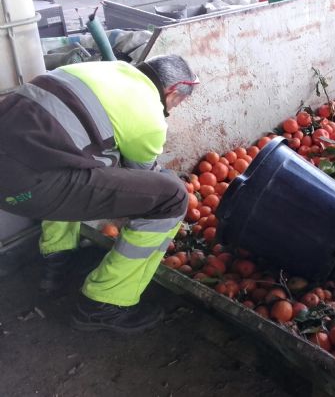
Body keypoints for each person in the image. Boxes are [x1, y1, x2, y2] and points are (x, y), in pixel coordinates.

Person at [0, 55, 198, 333]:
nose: (174, 109)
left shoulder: (100, 71)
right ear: (172, 91)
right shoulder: (150, 115)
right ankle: (104, 303)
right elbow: (144, 177)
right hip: (24, 188)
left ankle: (57, 260)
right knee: (170, 198)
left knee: (83, 156)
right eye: (178, 102)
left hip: (12, 171)